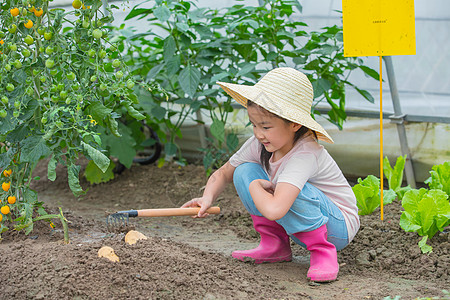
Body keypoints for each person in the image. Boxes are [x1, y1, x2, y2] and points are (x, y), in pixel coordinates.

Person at [181, 67, 360, 282]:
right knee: (243, 170)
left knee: (294, 188)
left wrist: (256, 187)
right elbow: (223, 173)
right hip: (298, 218)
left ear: (294, 124)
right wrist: (207, 198)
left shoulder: (305, 153)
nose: (258, 133)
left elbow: (275, 209)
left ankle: (323, 253)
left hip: (335, 227)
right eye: (254, 125)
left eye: (265, 126)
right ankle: (274, 245)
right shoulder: (262, 144)